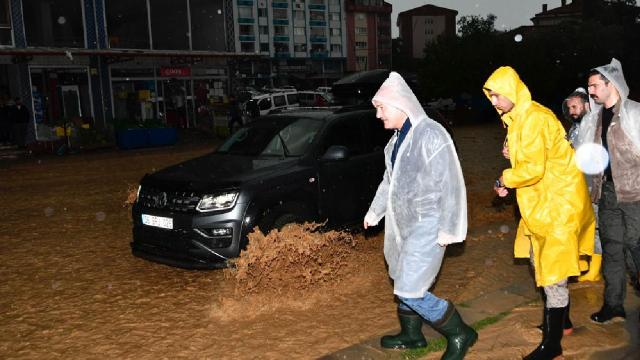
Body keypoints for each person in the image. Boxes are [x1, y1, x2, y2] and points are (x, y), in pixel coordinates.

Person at [363, 72, 477, 359]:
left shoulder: (431, 133)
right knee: (402, 279)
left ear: (399, 104)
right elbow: (389, 183)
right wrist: (375, 212)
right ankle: (412, 336)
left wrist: (450, 228)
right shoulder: (394, 142)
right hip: (402, 225)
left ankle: (460, 333)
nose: (378, 115)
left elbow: (450, 181)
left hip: (429, 223)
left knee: (411, 289)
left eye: (381, 108)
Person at [484, 66, 595, 360]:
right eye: (491, 96)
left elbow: (534, 169)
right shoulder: (519, 119)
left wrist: (504, 179)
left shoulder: (533, 119)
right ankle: (562, 323)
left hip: (557, 204)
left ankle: (553, 344)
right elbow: (532, 160)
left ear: (512, 91)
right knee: (541, 263)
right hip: (542, 203)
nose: (493, 101)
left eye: (497, 95)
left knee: (552, 272)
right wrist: (513, 161)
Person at [574, 58, 640, 323]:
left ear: (610, 84)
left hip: (636, 193)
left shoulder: (634, 113)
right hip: (608, 193)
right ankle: (613, 306)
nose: (590, 91)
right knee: (612, 248)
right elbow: (581, 154)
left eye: (593, 85)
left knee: (636, 246)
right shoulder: (595, 118)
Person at [562, 88, 603, 282]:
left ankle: (594, 269)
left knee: (595, 226)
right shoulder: (575, 128)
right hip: (577, 184)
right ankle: (583, 262)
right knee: (580, 224)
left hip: (593, 184)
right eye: (569, 107)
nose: (572, 111)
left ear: (587, 105)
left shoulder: (596, 124)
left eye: (575, 106)